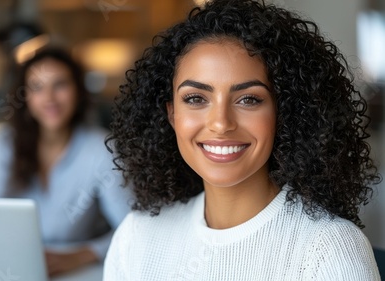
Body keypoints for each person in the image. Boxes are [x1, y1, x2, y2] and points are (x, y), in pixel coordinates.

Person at [103, 0, 382, 280]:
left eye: (249, 99)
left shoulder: (329, 249)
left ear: (284, 112)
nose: (221, 124)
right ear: (172, 114)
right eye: (196, 98)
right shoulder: (136, 236)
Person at [0, 48, 131, 277]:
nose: (49, 98)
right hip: (12, 265)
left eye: (60, 85)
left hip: (78, 271)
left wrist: (83, 255)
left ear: (78, 91)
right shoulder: (6, 143)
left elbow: (131, 227)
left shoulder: (101, 148)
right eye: (37, 87)